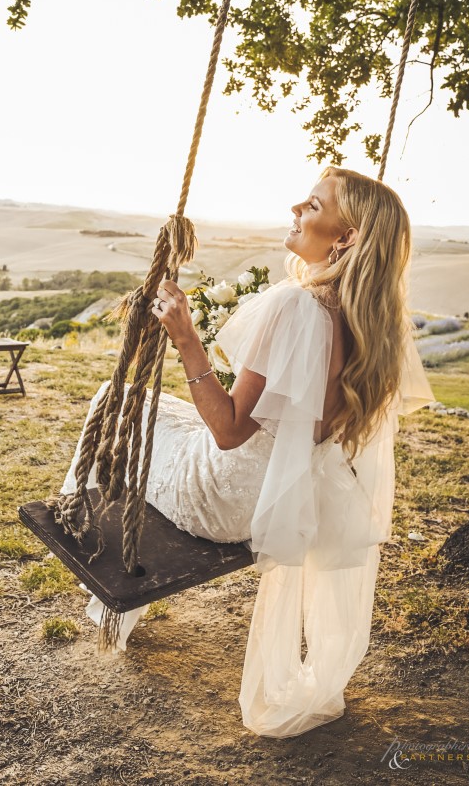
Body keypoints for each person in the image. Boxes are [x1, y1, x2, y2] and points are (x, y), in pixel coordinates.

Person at [61, 166, 434, 738]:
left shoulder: (294, 306)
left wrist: (186, 337)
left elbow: (230, 430)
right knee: (147, 408)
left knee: (115, 398)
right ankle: (110, 589)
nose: (295, 209)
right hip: (282, 500)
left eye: (312, 205)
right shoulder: (373, 324)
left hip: (221, 497)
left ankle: (96, 561)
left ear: (348, 236)